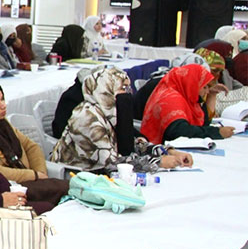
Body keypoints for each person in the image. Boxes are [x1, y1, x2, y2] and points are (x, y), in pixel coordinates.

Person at [52, 66, 196, 172]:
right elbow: (111, 162)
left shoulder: (110, 112)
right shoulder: (87, 118)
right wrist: (158, 162)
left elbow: (133, 143)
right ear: (107, 88)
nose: (128, 93)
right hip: (78, 175)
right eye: (123, 88)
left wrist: (168, 152)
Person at [0, 80, 70, 207]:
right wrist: (34, 175)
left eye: (2, 99)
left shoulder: (0, 122)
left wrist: (41, 174)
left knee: (66, 191)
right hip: (10, 187)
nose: (3, 105)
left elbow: (31, 146)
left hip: (28, 179)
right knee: (67, 190)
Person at [140, 64, 234, 144]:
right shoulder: (170, 99)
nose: (207, 91)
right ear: (192, 84)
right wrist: (216, 132)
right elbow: (180, 132)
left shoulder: (186, 95)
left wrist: (212, 95)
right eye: (204, 87)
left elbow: (202, 125)